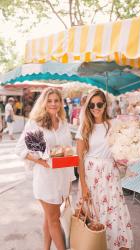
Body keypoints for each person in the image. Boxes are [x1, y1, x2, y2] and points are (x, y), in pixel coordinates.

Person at [15, 88, 75, 250]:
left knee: (49, 218)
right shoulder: (36, 123)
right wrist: (40, 161)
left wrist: (70, 180)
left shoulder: (63, 123)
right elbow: (20, 149)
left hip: (61, 178)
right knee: (54, 220)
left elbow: (68, 150)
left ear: (61, 103)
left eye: (56, 100)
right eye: (49, 101)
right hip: (45, 179)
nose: (53, 104)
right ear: (44, 103)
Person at [76, 89, 133, 250]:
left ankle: (116, 244)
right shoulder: (84, 127)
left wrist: (127, 159)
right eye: (92, 105)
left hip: (110, 174)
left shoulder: (113, 124)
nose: (96, 108)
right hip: (90, 174)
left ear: (105, 105)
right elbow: (79, 158)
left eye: (99, 104)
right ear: (87, 107)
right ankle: (96, 245)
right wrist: (83, 186)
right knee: (93, 212)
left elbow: (120, 150)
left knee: (114, 210)